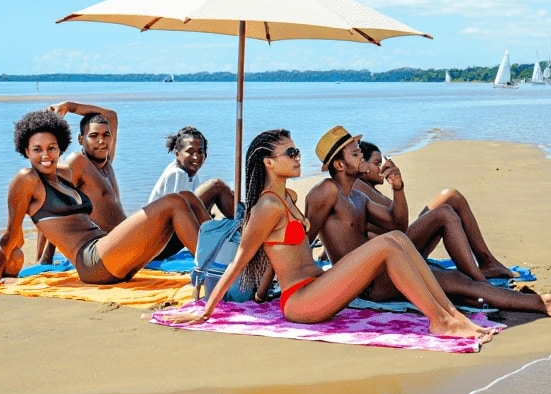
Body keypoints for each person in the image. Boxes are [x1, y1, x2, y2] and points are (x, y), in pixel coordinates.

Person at [158, 129, 494, 342]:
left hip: (318, 284)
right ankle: (440, 320)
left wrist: (262, 293)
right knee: (388, 245)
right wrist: (204, 311)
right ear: (269, 163)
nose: (297, 156)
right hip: (301, 301)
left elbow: (279, 257)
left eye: (297, 151)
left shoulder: (287, 199)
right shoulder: (266, 208)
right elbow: (241, 261)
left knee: (399, 239)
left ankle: (450, 315)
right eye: (290, 153)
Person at [305, 127, 551, 317]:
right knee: (459, 283)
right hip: (368, 285)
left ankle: (541, 302)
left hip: (384, 270)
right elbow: (307, 238)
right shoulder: (326, 192)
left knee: (456, 282)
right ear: (340, 165)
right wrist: (305, 285)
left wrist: (398, 187)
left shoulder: (358, 198)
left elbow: (397, 223)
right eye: (357, 155)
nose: (368, 162)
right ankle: (545, 303)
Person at [0, 109, 203, 284]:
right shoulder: (27, 179)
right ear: (26, 151)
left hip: (109, 254)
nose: (45, 155)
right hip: (91, 262)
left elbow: (111, 117)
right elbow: (10, 234)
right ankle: (211, 271)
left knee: (187, 197)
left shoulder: (63, 177)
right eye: (37, 149)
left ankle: (224, 260)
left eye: (51, 148)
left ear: (59, 149)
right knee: (174, 202)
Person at [355, 139, 517, 282]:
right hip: (396, 252)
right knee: (444, 212)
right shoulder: (358, 186)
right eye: (377, 163)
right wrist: (398, 187)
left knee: (451, 196)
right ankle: (479, 276)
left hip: (402, 243)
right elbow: (397, 226)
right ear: (362, 165)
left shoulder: (369, 188)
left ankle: (488, 262)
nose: (382, 167)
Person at [35, 101, 130, 264]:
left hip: (127, 242)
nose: (101, 141)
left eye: (105, 135)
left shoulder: (106, 162)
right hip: (106, 249)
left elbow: (111, 116)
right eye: (93, 136)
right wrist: (45, 258)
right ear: (80, 139)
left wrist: (70, 107)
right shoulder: (79, 164)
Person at [147, 125, 235, 219]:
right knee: (217, 186)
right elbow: (176, 211)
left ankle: (240, 218)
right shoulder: (177, 173)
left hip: (180, 217)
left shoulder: (191, 172)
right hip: (165, 224)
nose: (196, 157)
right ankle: (243, 221)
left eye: (200, 151)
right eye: (190, 152)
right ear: (177, 154)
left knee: (220, 197)